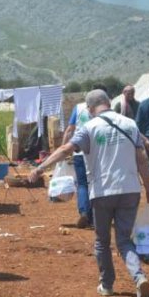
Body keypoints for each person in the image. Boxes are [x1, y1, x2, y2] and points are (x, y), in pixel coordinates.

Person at [29, 89, 149, 297]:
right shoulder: (130, 124)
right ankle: (139, 277)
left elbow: (66, 149)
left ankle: (106, 285)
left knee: (102, 241)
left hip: (102, 192)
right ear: (108, 102)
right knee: (124, 240)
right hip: (130, 190)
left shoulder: (89, 128)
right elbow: (142, 159)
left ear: (90, 109)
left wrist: (40, 167)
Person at [61, 84, 108, 228]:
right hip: (96, 153)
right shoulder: (105, 111)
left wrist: (64, 148)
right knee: (95, 183)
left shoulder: (78, 108)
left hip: (79, 152)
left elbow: (70, 130)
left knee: (82, 184)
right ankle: (94, 217)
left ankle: (83, 212)